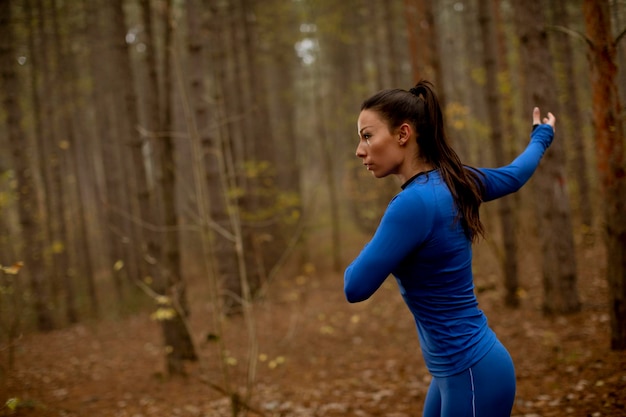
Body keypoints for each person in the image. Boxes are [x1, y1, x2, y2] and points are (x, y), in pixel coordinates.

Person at [344, 80, 555, 417]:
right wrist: (541, 137)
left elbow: (354, 287)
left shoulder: (411, 205)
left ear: (403, 134)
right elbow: (515, 175)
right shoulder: (456, 180)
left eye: (367, 135)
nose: (359, 149)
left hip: (472, 373)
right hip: (456, 371)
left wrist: (378, 243)